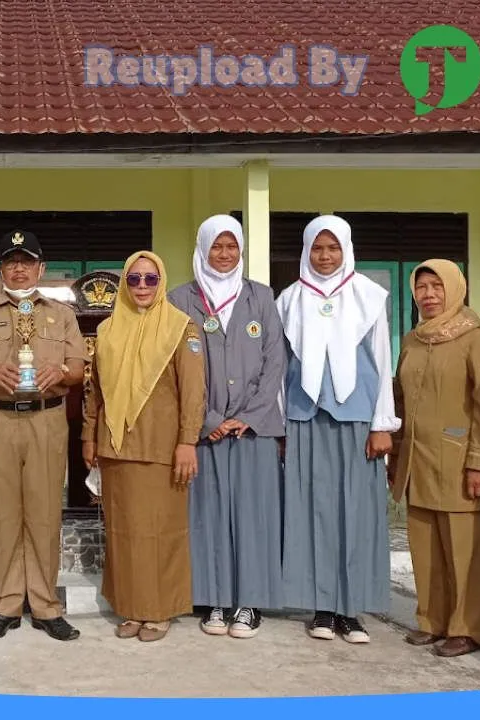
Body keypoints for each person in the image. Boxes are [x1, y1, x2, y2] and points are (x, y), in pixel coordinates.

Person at [0, 230, 87, 642]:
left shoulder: (60, 314)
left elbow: (79, 368)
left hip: (46, 418)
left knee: (44, 513)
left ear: (41, 268)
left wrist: (60, 372)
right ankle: (6, 605)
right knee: (2, 513)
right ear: (1, 268)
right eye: (11, 261)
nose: (20, 268)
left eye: (27, 261)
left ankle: (46, 606)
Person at [277, 215, 399, 644]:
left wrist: (383, 423)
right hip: (303, 418)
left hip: (357, 420)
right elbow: (281, 368)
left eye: (333, 248)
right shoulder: (289, 299)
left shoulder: (368, 296)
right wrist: (280, 428)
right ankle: (321, 609)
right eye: (317, 248)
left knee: (357, 513)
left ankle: (352, 610)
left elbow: (382, 361)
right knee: (310, 513)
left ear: (346, 250)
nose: (325, 256)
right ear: (306, 250)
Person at [169, 215, 287, 639]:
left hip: (255, 429)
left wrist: (249, 416)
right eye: (216, 247)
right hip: (205, 431)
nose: (224, 255)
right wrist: (209, 420)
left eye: (231, 246)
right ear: (202, 249)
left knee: (254, 516)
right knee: (209, 515)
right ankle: (215, 600)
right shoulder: (181, 299)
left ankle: (249, 603)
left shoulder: (261, 296)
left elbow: (275, 361)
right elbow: (176, 368)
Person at [82, 250, 205, 643]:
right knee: (123, 533)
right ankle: (132, 609)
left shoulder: (182, 329)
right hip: (116, 446)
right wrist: (89, 436)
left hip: (162, 447)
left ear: (162, 282)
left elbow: (194, 392)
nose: (141, 287)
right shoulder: (107, 331)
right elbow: (94, 393)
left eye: (150, 279)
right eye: (133, 279)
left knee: (161, 531)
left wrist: (188, 441)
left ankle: (160, 610)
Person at [389, 260, 480, 658]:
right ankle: (431, 621)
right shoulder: (412, 339)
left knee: (465, 550)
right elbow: (400, 399)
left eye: (437, 286)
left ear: (456, 289)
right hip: (418, 459)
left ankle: (467, 629)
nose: (429, 294)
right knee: (425, 545)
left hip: (459, 460)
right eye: (421, 287)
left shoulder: (477, 336)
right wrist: (397, 454)